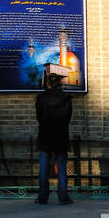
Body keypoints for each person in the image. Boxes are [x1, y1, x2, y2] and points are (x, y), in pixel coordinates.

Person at [35, 66, 73, 205]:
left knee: (44, 168)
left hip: (45, 136)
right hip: (61, 136)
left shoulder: (41, 98)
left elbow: (39, 117)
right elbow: (68, 118)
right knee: (62, 168)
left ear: (48, 84)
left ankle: (42, 197)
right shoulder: (67, 98)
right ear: (59, 83)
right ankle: (63, 197)